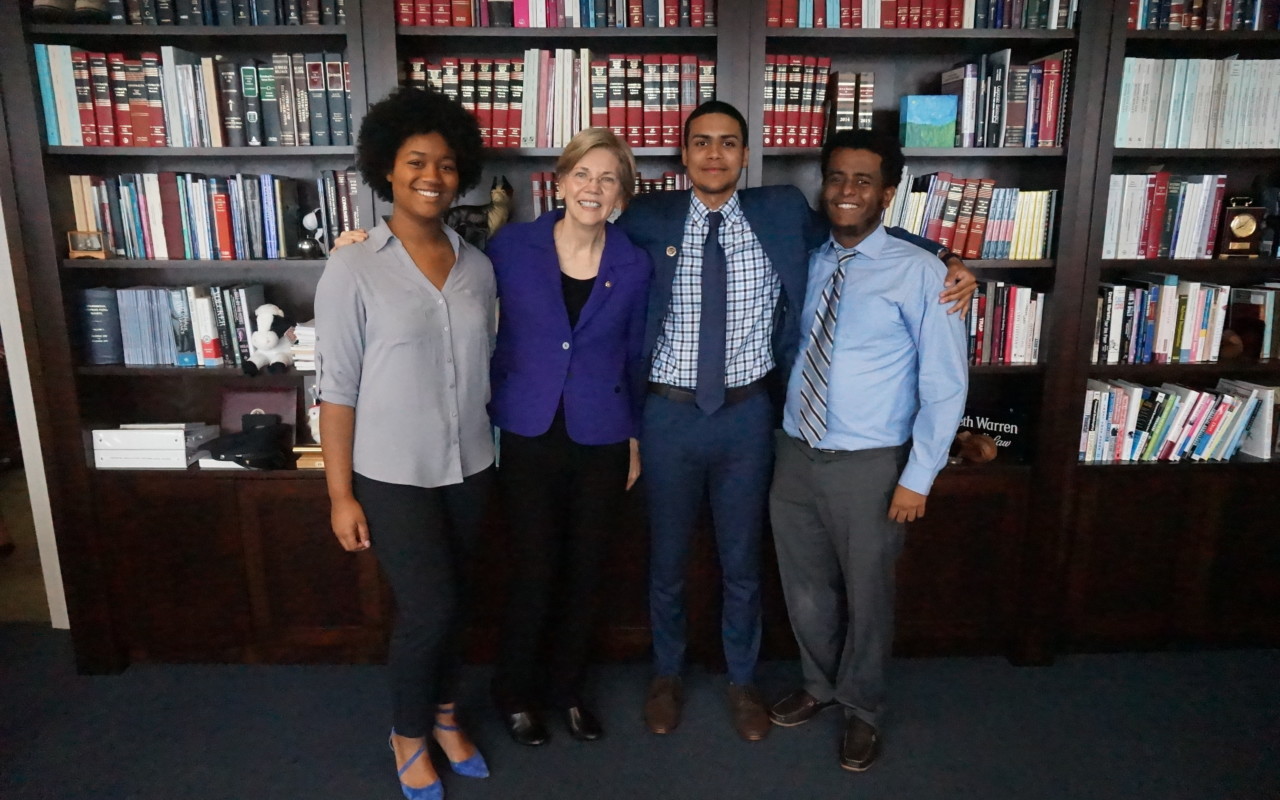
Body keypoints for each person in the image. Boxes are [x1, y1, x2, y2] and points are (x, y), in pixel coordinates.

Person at [614, 100, 976, 742]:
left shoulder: (779, 212)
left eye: (729, 142)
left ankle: (742, 681)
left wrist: (944, 256)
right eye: (702, 142)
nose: (715, 154)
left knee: (742, 563)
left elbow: (860, 225)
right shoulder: (647, 215)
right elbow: (578, 233)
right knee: (665, 560)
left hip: (752, 416)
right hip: (668, 414)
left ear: (746, 154)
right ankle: (666, 675)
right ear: (683, 154)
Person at [766, 129, 969, 772]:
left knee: (869, 596)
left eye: (862, 181)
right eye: (835, 179)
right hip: (796, 452)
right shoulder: (809, 257)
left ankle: (863, 708)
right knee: (805, 591)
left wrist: (918, 478)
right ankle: (820, 685)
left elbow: (945, 385)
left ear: (887, 192)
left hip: (872, 465)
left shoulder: (924, 273)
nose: (846, 191)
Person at [315, 87, 493, 800]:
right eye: (417, 161)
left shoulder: (478, 266)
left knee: (463, 601)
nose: (433, 175)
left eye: (448, 164)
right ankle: (409, 733)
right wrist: (337, 494)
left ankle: (448, 715)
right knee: (430, 610)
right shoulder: (354, 266)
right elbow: (337, 385)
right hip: (392, 474)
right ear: (386, 168)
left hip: (474, 465)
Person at [486, 128, 653, 746]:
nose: (593, 187)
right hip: (527, 432)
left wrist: (634, 436)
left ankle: (569, 692)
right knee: (534, 570)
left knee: (587, 573)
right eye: (583, 174)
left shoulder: (633, 262)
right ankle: (516, 693)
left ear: (621, 195)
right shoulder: (512, 248)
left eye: (608, 178)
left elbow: (636, 354)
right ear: (560, 181)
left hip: (602, 435)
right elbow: (448, 274)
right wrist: (365, 240)